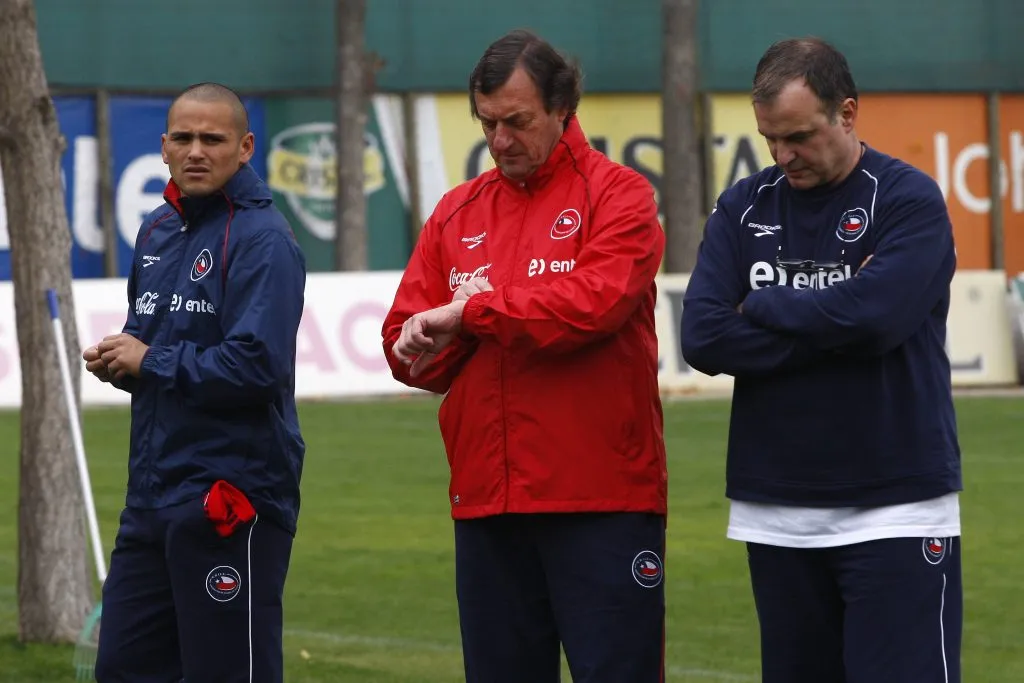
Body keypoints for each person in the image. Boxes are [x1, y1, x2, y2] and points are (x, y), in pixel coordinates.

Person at [382, 29, 668, 683]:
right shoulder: (458, 212)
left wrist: (471, 313)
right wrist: (416, 347)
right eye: (488, 123)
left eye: (517, 121)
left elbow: (591, 304)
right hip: (487, 502)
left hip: (601, 500)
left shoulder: (620, 197)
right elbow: (406, 336)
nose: (501, 140)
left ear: (563, 107)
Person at [681, 38, 962, 683]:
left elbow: (877, 318)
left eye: (800, 137)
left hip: (896, 504)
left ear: (847, 112)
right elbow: (702, 337)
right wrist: (839, 314)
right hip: (776, 511)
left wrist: (764, 302)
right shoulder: (743, 208)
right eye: (769, 139)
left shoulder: (907, 200)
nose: (784, 156)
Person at [83, 82, 306, 683]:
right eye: (183, 137)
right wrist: (120, 362)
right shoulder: (157, 231)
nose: (196, 150)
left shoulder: (264, 239)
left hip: (229, 498)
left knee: (225, 673)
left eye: (213, 138)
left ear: (245, 147)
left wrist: (149, 361)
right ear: (163, 147)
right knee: (122, 669)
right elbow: (151, 348)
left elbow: (259, 369)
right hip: (152, 495)